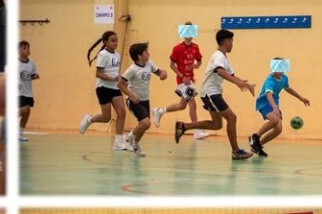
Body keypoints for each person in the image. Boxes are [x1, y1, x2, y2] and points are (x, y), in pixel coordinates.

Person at [175, 28, 255, 159]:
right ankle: (236, 151)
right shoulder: (218, 56)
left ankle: (183, 126)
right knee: (232, 118)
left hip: (211, 93)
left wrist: (245, 84)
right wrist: (237, 83)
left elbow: (231, 75)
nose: (232, 44)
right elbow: (220, 71)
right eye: (231, 41)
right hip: (211, 93)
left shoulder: (224, 58)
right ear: (226, 41)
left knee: (217, 124)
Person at [248, 58, 310, 157]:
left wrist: (301, 98)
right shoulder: (270, 80)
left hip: (274, 104)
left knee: (278, 129)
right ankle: (255, 137)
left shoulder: (284, 78)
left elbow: (288, 89)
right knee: (275, 120)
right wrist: (274, 107)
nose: (281, 70)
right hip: (264, 103)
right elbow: (268, 94)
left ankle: (257, 146)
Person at [79, 31, 128, 150]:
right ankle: (89, 119)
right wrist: (112, 78)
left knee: (122, 112)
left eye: (116, 40)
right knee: (106, 118)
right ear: (105, 42)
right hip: (103, 88)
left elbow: (115, 72)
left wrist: (121, 79)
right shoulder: (103, 54)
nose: (115, 43)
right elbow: (98, 73)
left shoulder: (117, 55)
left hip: (115, 88)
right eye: (112, 41)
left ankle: (118, 142)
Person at [118, 42, 167, 156]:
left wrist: (163, 74)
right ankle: (128, 138)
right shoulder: (132, 69)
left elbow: (160, 72)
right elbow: (120, 84)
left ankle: (135, 144)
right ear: (139, 55)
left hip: (145, 100)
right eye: (146, 52)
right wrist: (131, 95)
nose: (149, 53)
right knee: (145, 123)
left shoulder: (149, 64)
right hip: (133, 100)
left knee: (145, 125)